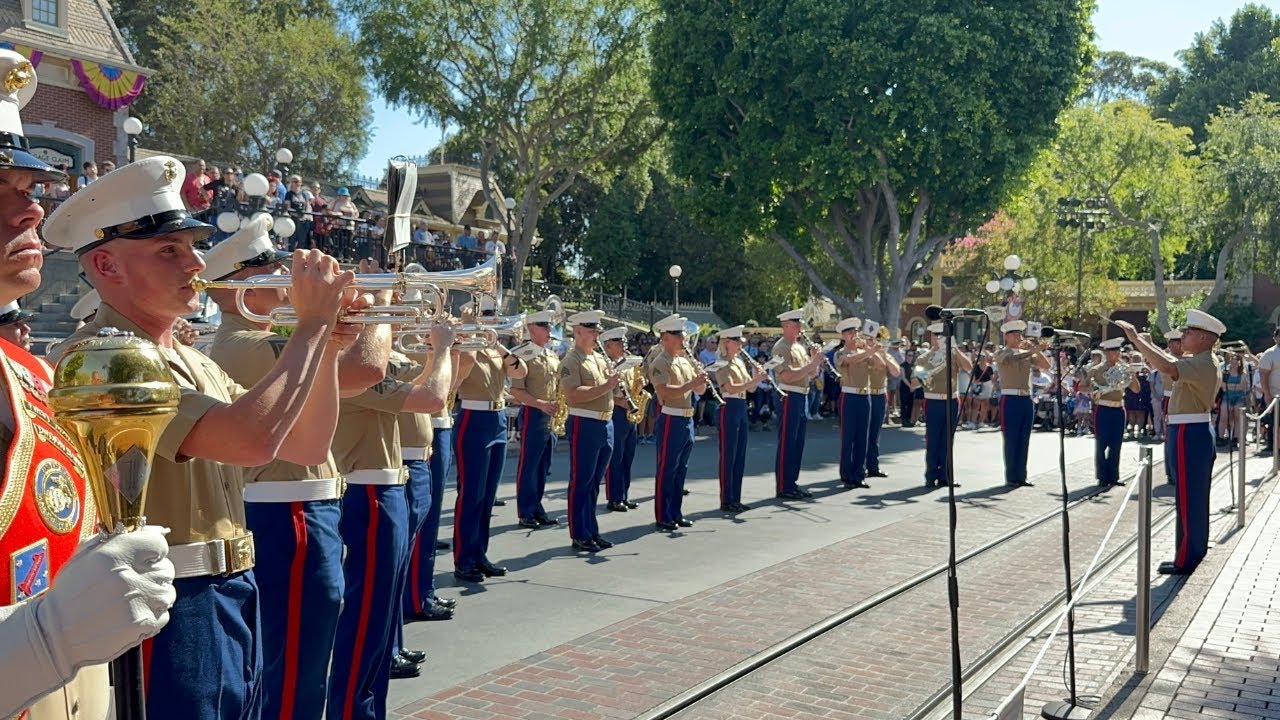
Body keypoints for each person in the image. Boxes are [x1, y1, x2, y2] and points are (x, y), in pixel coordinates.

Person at [45, 155, 361, 720]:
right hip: (168, 602)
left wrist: (329, 347)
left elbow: (305, 446)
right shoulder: (101, 357)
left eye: (191, 246)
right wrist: (311, 326)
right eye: (169, 250)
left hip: (230, 587)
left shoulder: (190, 359)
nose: (195, 262)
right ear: (107, 265)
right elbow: (250, 441)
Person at [0, 50, 174, 719]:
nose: (29, 214)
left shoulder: (35, 374)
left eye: (29, 189)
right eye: (0, 190)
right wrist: (46, 639)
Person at [203, 219, 390, 719]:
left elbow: (348, 381)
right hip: (288, 511)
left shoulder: (271, 340)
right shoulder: (244, 344)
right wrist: (379, 305)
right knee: (293, 667)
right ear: (241, 291)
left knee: (305, 660)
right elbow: (367, 370)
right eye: (272, 273)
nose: (288, 281)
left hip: (303, 505)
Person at [1115, 311, 1224, 574]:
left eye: (1188, 332)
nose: (1182, 336)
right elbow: (1170, 361)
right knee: (1189, 497)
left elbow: (1166, 367)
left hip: (1190, 431)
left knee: (1189, 499)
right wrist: (1147, 344)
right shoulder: (1201, 360)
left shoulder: (1203, 363)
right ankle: (1188, 551)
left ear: (1203, 337)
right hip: (1189, 429)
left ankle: (1187, 558)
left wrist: (1135, 340)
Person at [452, 305, 527, 582]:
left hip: (497, 419)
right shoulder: (465, 346)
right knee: (471, 494)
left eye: (492, 315)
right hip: (473, 418)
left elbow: (520, 372)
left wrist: (500, 347)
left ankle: (479, 554)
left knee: (487, 496)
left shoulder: (495, 349)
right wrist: (469, 330)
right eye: (485, 315)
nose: (492, 320)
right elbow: (458, 375)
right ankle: (464, 559)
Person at [558, 310, 617, 551]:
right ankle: (579, 533)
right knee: (581, 481)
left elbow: (608, 389)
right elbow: (573, 394)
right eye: (592, 331)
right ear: (579, 331)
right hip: (584, 423)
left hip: (605, 423)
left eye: (597, 331)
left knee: (594, 482)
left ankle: (591, 530)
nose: (597, 335)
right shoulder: (570, 361)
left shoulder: (599, 358)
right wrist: (607, 386)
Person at [649, 314, 705, 531]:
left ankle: (676, 512)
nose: (684, 339)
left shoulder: (684, 361)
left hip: (687, 418)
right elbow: (664, 392)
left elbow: (700, 390)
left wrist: (699, 379)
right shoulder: (660, 363)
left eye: (683, 335)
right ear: (665, 337)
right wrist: (692, 383)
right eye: (679, 335)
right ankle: (663, 515)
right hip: (671, 418)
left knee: (681, 468)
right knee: (667, 468)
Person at [508, 308, 561, 529]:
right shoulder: (522, 355)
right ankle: (526, 511)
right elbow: (516, 390)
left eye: (549, 326)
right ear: (532, 329)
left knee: (543, 465)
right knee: (529, 465)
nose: (549, 330)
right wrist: (540, 404)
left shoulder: (551, 355)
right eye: (544, 326)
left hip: (551, 414)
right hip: (533, 412)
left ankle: (537, 507)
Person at [771, 309, 824, 499]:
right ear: (786, 325)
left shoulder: (799, 347)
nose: (800, 327)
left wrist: (814, 359)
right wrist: (813, 363)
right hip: (788, 395)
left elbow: (811, 374)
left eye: (800, 323)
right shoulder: (781, 348)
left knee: (798, 442)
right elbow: (787, 376)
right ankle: (784, 486)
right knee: (788, 441)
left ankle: (792, 482)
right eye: (796, 323)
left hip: (801, 396)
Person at [712, 326, 765, 512]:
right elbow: (730, 388)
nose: (740, 345)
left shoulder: (739, 362)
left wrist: (757, 375)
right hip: (729, 406)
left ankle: (736, 497)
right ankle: (726, 499)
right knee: (729, 454)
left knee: (740, 454)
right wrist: (754, 380)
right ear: (727, 343)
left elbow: (750, 389)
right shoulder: (722, 363)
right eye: (737, 342)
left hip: (741, 406)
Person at [993, 321, 1050, 488]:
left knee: (1024, 438)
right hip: (1010, 398)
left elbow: (1046, 365)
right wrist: (1031, 351)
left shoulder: (1026, 353)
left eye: (1020, 334)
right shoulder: (1001, 352)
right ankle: (1011, 477)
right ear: (1007, 336)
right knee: (1011, 438)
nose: (1019, 337)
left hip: (1026, 398)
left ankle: (1021, 476)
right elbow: (1010, 360)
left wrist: (1037, 350)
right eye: (1015, 334)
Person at [920, 323, 974, 488]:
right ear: (932, 337)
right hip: (933, 400)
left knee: (948, 440)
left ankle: (946, 476)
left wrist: (955, 348)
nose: (940, 339)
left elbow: (969, 367)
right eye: (937, 336)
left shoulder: (953, 354)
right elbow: (917, 381)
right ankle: (931, 475)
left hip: (951, 401)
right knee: (933, 439)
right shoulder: (924, 358)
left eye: (943, 336)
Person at [833, 318, 881, 489]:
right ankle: (847, 475)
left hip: (865, 396)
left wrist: (871, 349)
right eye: (849, 333)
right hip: (849, 396)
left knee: (863, 437)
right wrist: (869, 351)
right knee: (848, 438)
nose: (853, 335)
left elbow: (880, 365)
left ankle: (859, 474)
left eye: (855, 332)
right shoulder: (840, 353)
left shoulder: (864, 351)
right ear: (843, 336)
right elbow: (850, 361)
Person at [1086, 338, 1140, 487]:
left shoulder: (1123, 369)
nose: (1117, 354)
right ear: (1106, 352)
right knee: (1101, 444)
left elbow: (1136, 389)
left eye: (1118, 351)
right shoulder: (1096, 370)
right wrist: (1097, 390)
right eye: (1113, 351)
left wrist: (1132, 373)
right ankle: (1102, 476)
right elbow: (1083, 386)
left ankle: (1114, 476)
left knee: (1116, 444)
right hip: (1103, 408)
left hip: (1119, 409)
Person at [601, 327, 642, 512]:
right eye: (619, 342)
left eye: (624, 342)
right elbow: (603, 391)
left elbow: (632, 386)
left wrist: (639, 386)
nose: (624, 345)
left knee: (628, 456)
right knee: (615, 457)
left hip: (629, 412)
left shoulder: (626, 363)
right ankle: (614, 497)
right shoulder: (605, 364)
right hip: (616, 411)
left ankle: (624, 495)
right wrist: (620, 402)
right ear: (608, 345)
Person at [865, 328, 900, 478]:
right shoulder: (863, 353)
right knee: (862, 433)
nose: (877, 342)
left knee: (875, 433)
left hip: (879, 395)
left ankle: (873, 465)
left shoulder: (885, 354)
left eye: (879, 339)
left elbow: (896, 372)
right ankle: (859, 466)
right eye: (873, 339)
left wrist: (882, 354)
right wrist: (870, 350)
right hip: (865, 394)